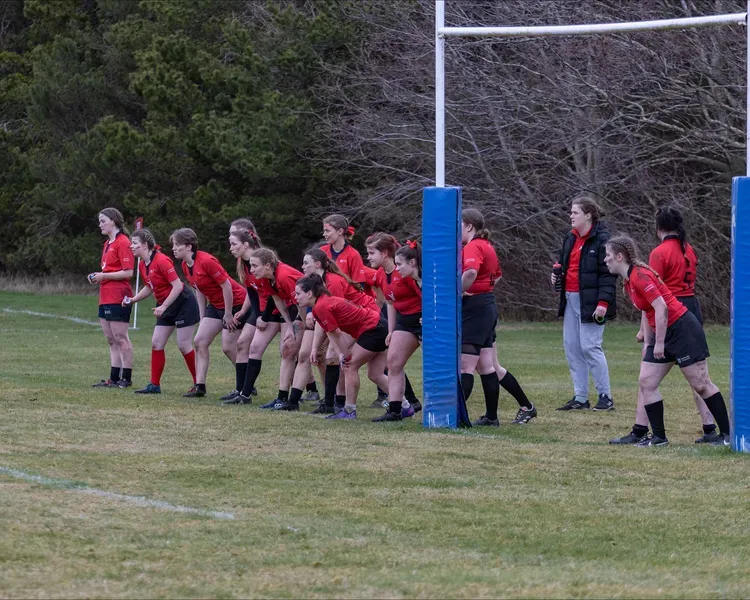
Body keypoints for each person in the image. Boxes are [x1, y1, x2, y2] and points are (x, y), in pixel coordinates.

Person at [603, 236, 731, 446]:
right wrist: (645, 335)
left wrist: (660, 343)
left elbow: (661, 307)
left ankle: (727, 436)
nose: (605, 260)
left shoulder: (640, 276)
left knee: (700, 384)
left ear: (619, 256)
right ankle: (659, 438)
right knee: (647, 381)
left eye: (608, 256)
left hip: (682, 330)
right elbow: (648, 309)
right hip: (662, 332)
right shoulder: (628, 281)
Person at [460, 209, 534, 427]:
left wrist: (458, 291)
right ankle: (494, 416)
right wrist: (483, 289)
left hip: (476, 309)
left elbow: (471, 273)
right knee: (487, 366)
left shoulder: (474, 246)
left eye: (459, 225)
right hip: (486, 305)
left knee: (465, 366)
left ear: (470, 226)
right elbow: (498, 275)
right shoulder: (488, 245)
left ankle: (454, 416)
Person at [552, 194, 616, 412]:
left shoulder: (602, 239)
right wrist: (556, 276)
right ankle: (580, 397)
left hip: (591, 301)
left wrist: (603, 302)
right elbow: (563, 264)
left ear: (588, 215)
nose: (571, 216)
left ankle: (605, 397)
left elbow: (608, 275)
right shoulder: (570, 238)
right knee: (572, 347)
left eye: (575, 212)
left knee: (590, 346)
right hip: (570, 298)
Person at [295, 274, 389, 420]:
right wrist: (315, 349)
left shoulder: (321, 306)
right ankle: (403, 405)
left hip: (374, 328)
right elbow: (329, 332)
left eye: (298, 293)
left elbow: (336, 333)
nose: (296, 297)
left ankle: (349, 411)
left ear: (309, 293)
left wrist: (343, 354)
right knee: (375, 374)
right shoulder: (318, 306)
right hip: (377, 325)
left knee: (349, 366)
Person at [169, 228, 247, 398]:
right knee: (199, 341)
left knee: (227, 347)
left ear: (189, 246)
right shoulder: (185, 264)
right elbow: (199, 289)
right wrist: (203, 316)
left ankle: (246, 382)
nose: (173, 248)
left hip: (235, 303)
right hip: (216, 305)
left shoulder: (207, 261)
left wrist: (228, 313)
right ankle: (200, 386)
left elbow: (226, 285)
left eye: (177, 245)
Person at [302, 247, 378, 414]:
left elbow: (332, 321)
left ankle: (337, 403)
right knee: (331, 357)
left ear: (317, 264)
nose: (302, 267)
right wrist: (315, 348)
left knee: (335, 356)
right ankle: (332, 402)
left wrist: (322, 347)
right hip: (354, 321)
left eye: (306, 263)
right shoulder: (319, 284)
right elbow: (324, 320)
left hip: (367, 318)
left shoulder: (332, 282)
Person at [123, 229, 199, 394]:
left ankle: (198, 384)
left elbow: (178, 286)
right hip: (166, 304)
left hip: (183, 303)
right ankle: (154, 385)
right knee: (156, 343)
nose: (131, 246)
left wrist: (163, 306)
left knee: (184, 345)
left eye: (134, 243)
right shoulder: (143, 263)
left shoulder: (162, 260)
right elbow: (150, 286)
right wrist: (133, 299)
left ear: (144, 245)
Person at [230, 247, 303, 407]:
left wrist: (295, 325)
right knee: (257, 348)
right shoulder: (265, 277)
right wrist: (289, 325)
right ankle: (247, 395)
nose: (252, 269)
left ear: (268, 265)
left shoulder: (284, 276)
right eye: (251, 265)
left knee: (296, 352)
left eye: (255, 266)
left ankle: (326, 398)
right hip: (291, 310)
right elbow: (277, 300)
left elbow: (301, 304)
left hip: (305, 310)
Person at [365, 233, 423, 414]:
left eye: (371, 253)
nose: (368, 257)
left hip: (421, 320)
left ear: (384, 253)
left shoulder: (407, 273)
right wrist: (391, 330)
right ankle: (396, 410)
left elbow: (427, 296)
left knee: (432, 364)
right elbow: (390, 303)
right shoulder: (381, 274)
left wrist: (428, 318)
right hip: (403, 321)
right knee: (393, 363)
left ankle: (440, 407)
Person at [90, 208, 135, 389]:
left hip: (118, 295)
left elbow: (129, 272)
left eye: (103, 221)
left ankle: (127, 378)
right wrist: (97, 276)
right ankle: (113, 377)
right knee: (110, 339)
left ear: (113, 221)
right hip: (105, 295)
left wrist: (104, 276)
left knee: (121, 337)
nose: (100, 224)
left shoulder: (123, 242)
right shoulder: (107, 243)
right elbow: (108, 270)